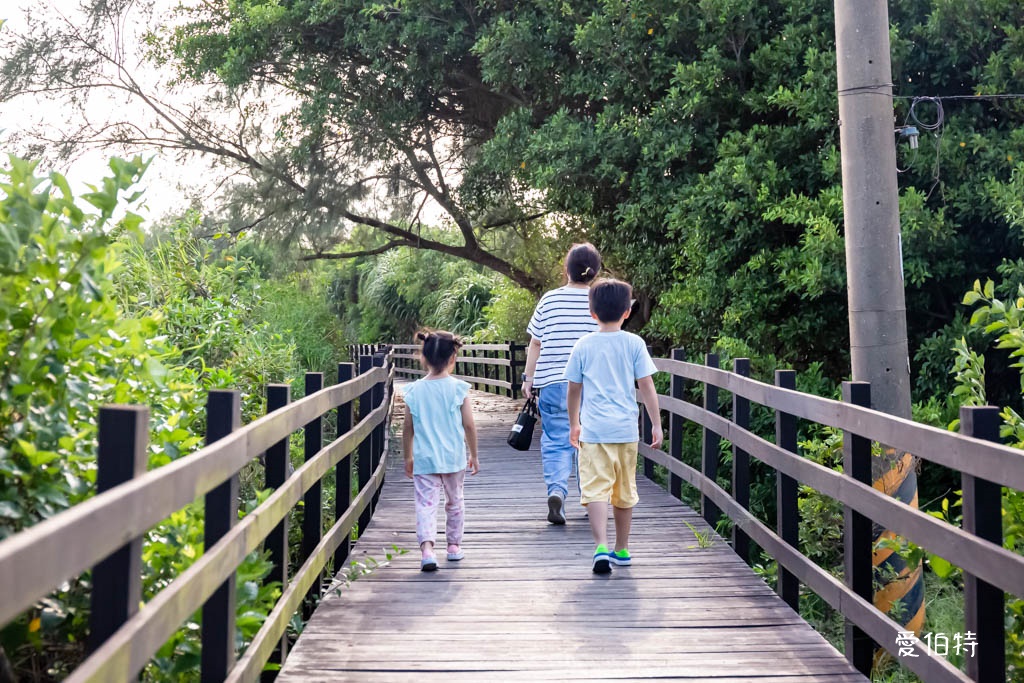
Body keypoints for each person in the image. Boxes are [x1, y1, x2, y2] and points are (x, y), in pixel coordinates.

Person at [564, 278, 664, 573]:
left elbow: (573, 388)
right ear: (627, 312)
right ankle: (622, 548)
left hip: (594, 432)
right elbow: (646, 385)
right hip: (625, 431)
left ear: (591, 312)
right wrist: (656, 424)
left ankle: (601, 547)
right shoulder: (634, 343)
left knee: (595, 489)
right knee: (624, 490)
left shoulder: (583, 345)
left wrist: (574, 423)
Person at [523, 243, 602, 525]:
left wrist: (528, 379)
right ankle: (589, 496)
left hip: (554, 383)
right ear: (595, 272)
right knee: (588, 442)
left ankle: (557, 492)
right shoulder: (599, 301)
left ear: (565, 270)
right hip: (591, 385)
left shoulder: (549, 300)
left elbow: (535, 342)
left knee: (557, 441)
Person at [401, 330, 480, 572]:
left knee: (426, 504)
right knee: (455, 502)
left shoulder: (414, 391)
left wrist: (408, 456)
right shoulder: (458, 389)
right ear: (453, 358)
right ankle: (454, 546)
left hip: (425, 460)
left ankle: (427, 550)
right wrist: (474, 455)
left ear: (423, 358)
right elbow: (469, 425)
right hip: (453, 458)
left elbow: (407, 428)